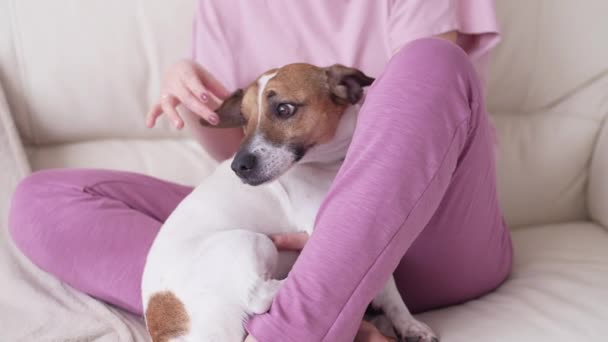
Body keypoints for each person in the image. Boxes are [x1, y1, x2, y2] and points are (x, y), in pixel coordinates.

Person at [9, 1, 513, 341]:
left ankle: (292, 328)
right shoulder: (222, 7)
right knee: (42, 198)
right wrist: (198, 96)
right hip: (287, 239)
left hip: (434, 235)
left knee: (431, 61)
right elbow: (243, 155)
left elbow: (420, 113)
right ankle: (229, 310)